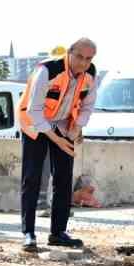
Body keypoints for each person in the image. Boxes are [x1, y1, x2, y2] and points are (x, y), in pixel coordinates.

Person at [17, 38, 97, 252]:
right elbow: (34, 110)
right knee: (32, 178)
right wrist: (58, 140)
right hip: (35, 123)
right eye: (79, 57)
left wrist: (76, 129)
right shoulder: (47, 71)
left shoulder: (90, 75)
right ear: (70, 53)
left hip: (63, 125)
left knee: (63, 178)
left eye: (88, 59)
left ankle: (58, 233)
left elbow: (87, 106)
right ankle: (29, 233)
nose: (82, 63)